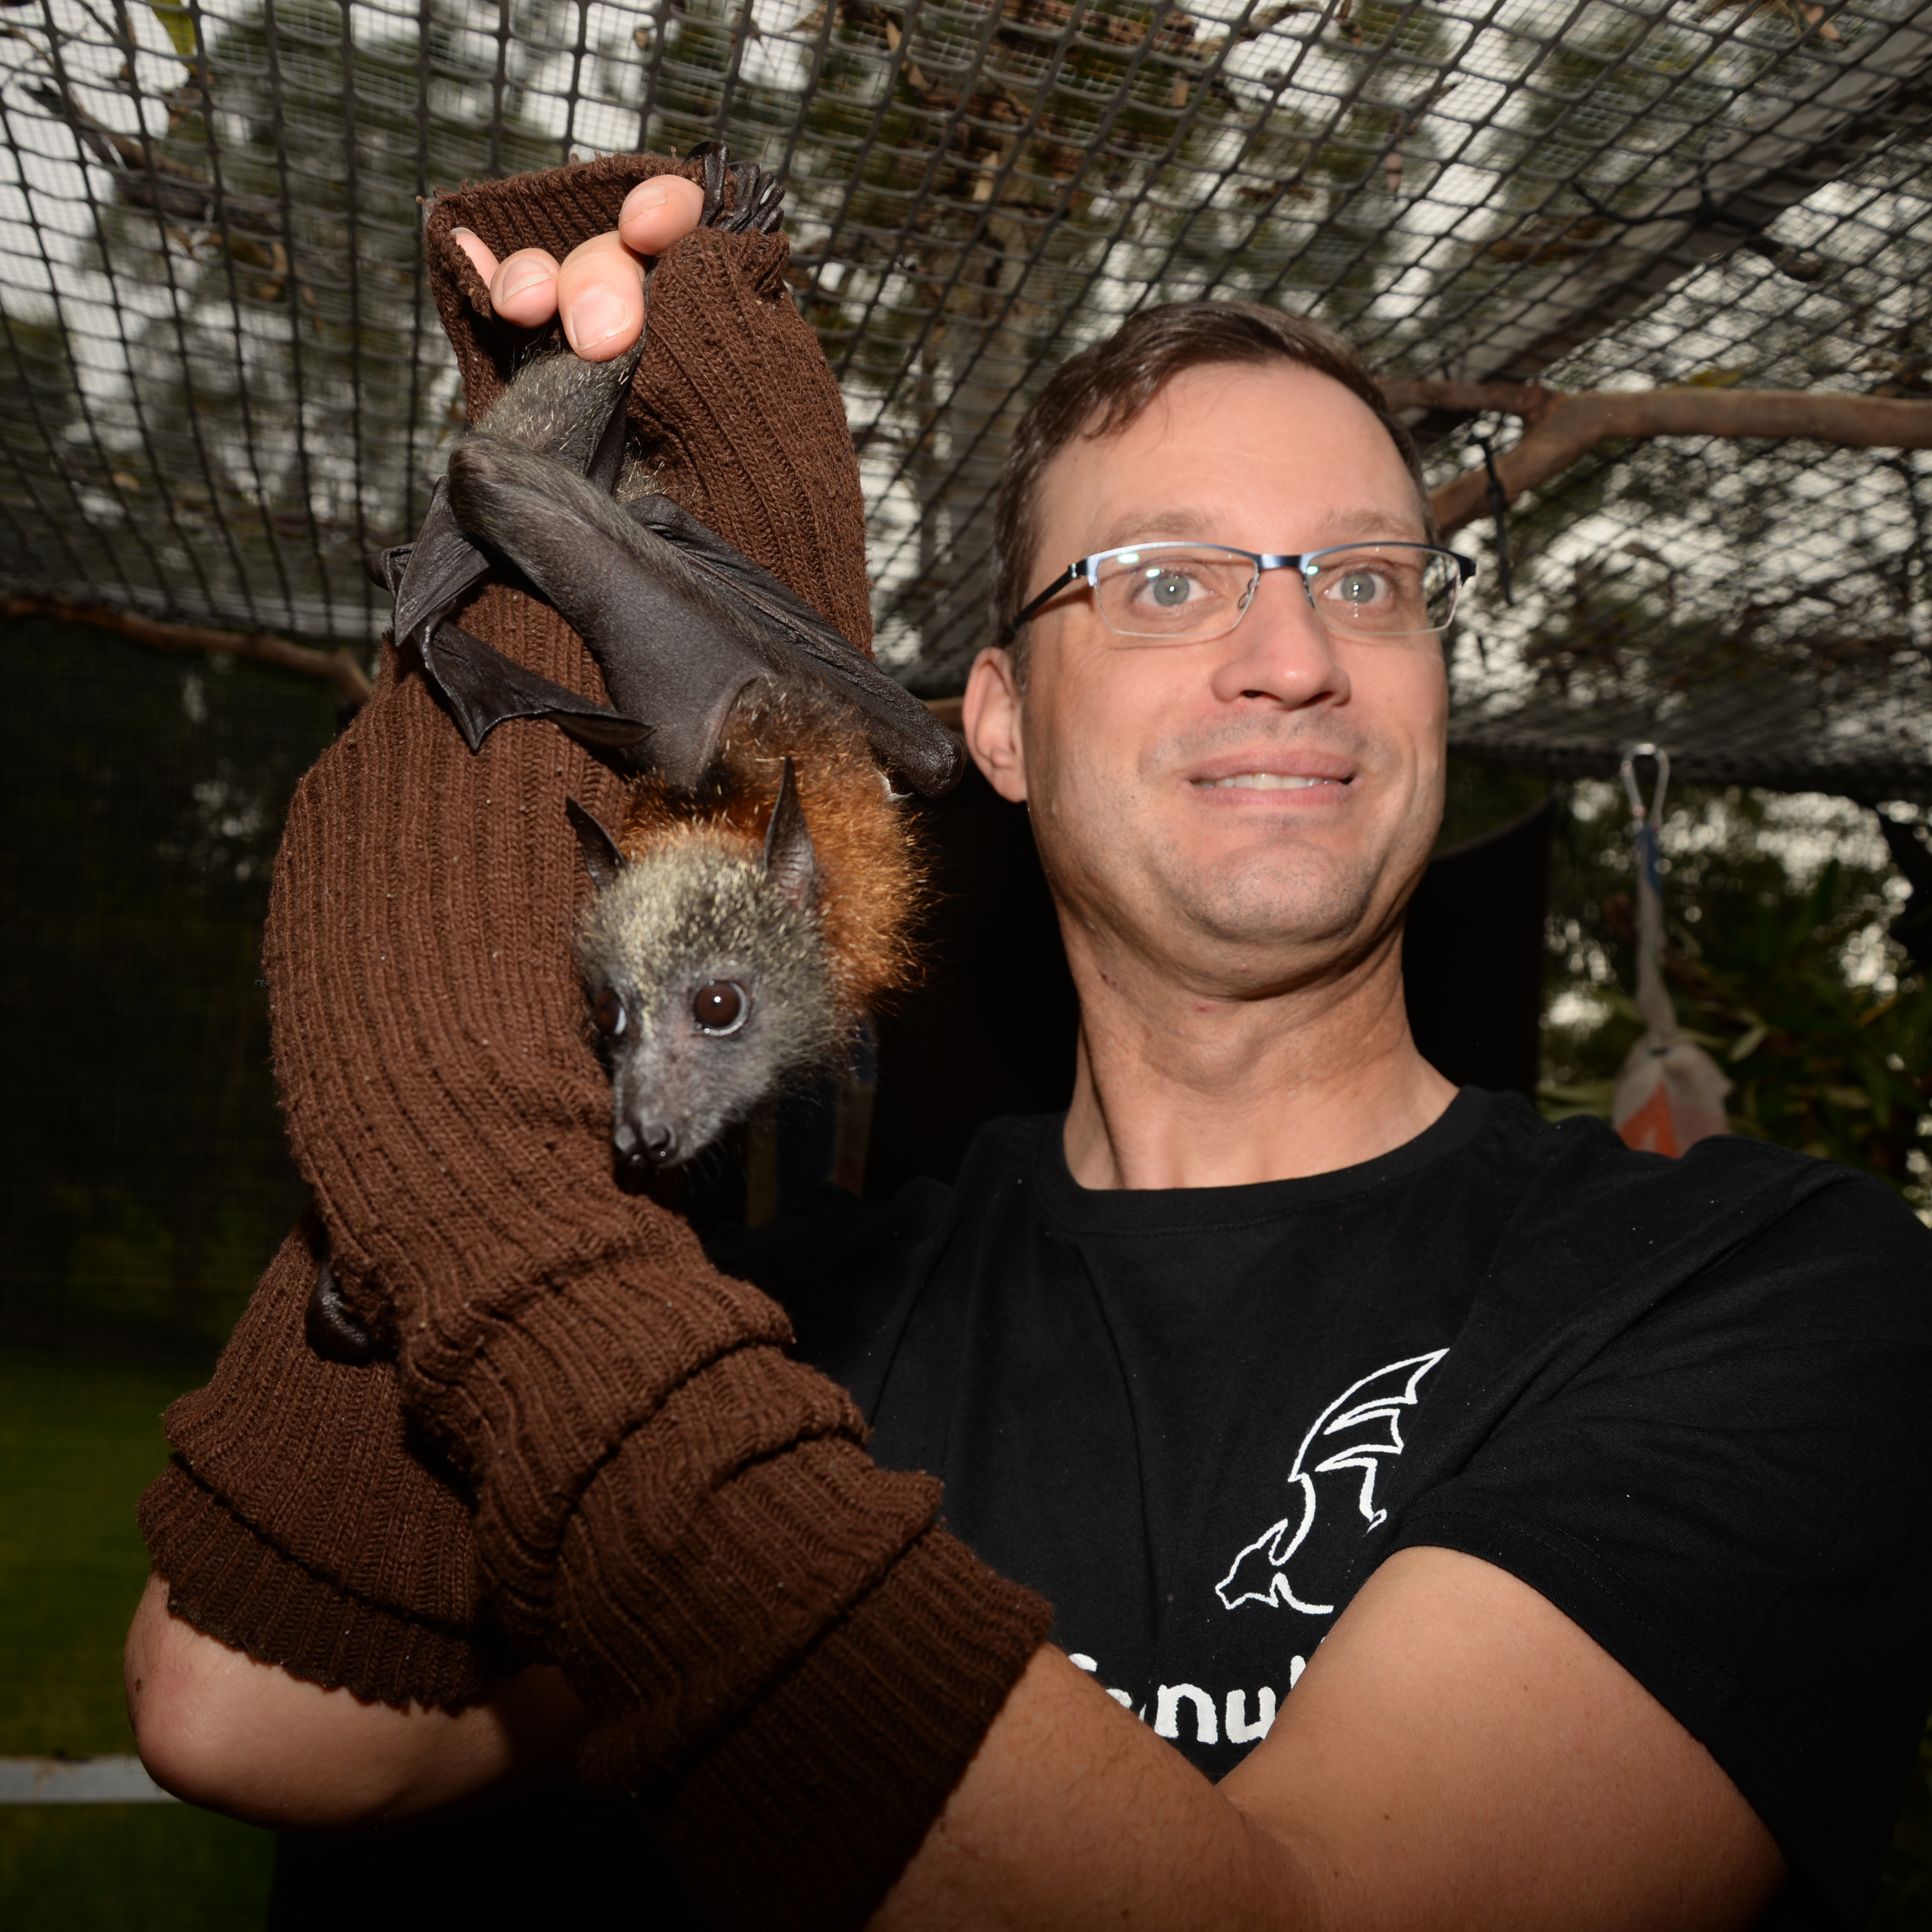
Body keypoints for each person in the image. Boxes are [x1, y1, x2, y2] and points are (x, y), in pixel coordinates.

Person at [126, 165, 1932, 1931]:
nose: (1297, 653)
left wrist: (485, 1215)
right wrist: (528, 672)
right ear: (992, 724)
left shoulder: (1770, 1293)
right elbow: (253, 1713)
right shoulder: (797, 1319)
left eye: (1371, 581)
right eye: (1165, 583)